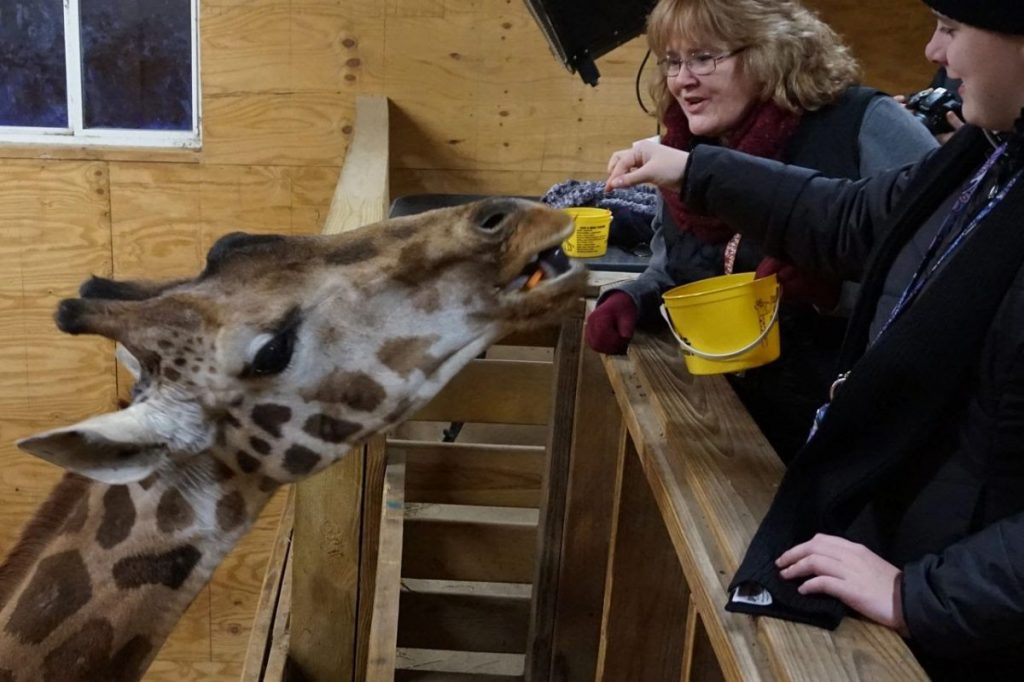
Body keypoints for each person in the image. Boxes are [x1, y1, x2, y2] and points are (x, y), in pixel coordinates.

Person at [605, 0, 1024, 678]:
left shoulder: (900, 127)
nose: (932, 54)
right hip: (915, 551)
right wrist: (694, 172)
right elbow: (856, 218)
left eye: (951, 28)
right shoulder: (990, 153)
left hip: (968, 614)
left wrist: (919, 594)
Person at [585, 0, 937, 462]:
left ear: (770, 52)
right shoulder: (684, 145)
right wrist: (637, 297)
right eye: (672, 61)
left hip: (849, 442)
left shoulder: (861, 124)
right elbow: (677, 267)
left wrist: (835, 294)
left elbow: (944, 270)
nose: (682, 79)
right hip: (733, 429)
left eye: (703, 58)